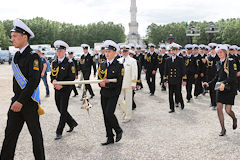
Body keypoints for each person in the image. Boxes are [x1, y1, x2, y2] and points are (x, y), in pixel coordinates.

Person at [1, 19, 45, 160]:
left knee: (36, 137)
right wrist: (17, 100)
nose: (12, 39)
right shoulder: (17, 56)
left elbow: (34, 81)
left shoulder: (34, 57)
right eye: (12, 36)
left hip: (28, 103)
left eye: (15, 36)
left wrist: (20, 101)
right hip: (17, 101)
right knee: (9, 136)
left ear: (24, 37)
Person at [203, 45, 238, 136]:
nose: (219, 54)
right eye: (218, 52)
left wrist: (224, 83)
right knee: (219, 107)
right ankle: (223, 129)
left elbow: (233, 77)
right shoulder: (218, 63)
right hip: (220, 88)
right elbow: (217, 77)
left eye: (221, 52)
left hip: (230, 88)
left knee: (228, 110)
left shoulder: (231, 62)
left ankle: (234, 119)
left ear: (225, 53)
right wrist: (209, 83)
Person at [51, 40, 78, 140]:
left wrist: (62, 84)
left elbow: (72, 77)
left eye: (61, 51)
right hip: (57, 88)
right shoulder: (54, 62)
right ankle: (72, 123)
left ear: (65, 51)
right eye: (57, 51)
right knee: (60, 108)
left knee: (63, 110)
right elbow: (52, 75)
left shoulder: (69, 63)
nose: (59, 52)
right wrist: (53, 81)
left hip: (66, 89)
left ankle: (59, 131)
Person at [98, 40, 123, 145]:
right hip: (103, 93)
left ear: (115, 52)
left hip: (113, 93)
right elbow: (99, 78)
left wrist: (107, 84)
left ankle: (118, 130)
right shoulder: (102, 64)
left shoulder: (119, 65)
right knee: (105, 115)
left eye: (109, 52)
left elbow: (119, 82)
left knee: (109, 113)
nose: (107, 54)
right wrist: (101, 84)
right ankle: (109, 137)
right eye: (106, 51)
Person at [164, 43, 186, 113]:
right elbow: (166, 70)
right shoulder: (168, 60)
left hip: (178, 79)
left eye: (175, 50)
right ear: (170, 51)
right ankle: (171, 108)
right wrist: (165, 80)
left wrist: (184, 80)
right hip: (170, 79)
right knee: (170, 95)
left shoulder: (180, 59)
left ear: (177, 51)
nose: (173, 52)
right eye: (172, 50)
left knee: (178, 93)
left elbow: (183, 70)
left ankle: (181, 103)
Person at [118, 45, 138, 122]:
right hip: (120, 84)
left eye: (126, 51)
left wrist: (133, 84)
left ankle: (128, 116)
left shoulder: (132, 61)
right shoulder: (119, 60)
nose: (124, 53)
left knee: (129, 100)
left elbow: (134, 73)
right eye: (123, 51)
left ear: (128, 52)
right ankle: (126, 111)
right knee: (120, 100)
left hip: (128, 84)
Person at [205, 43, 219, 110]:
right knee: (211, 90)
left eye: (213, 49)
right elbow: (206, 67)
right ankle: (212, 102)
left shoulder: (218, 57)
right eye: (211, 49)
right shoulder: (208, 57)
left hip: (217, 76)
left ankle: (216, 103)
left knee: (216, 90)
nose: (212, 51)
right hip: (209, 76)